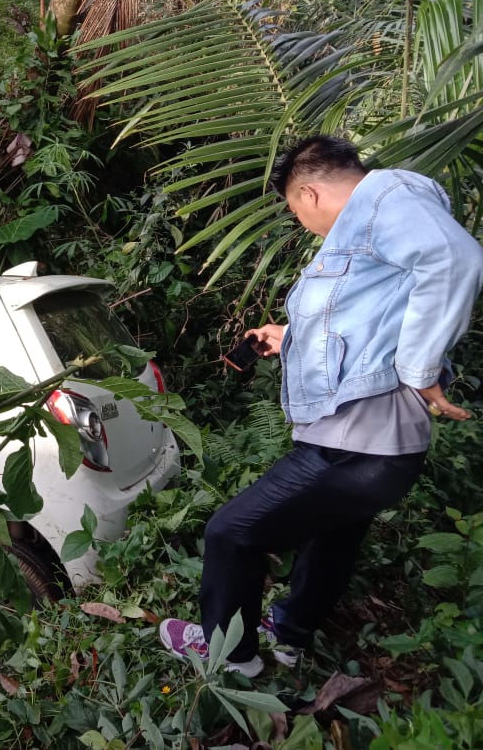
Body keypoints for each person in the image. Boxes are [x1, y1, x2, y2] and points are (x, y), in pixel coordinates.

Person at [158, 135, 483, 677]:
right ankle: (288, 635)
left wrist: (423, 368)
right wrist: (289, 337)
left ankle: (228, 656)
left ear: (307, 193)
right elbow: (368, 321)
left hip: (357, 443)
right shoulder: (372, 229)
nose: (301, 222)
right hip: (374, 444)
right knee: (333, 535)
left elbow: (455, 258)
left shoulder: (385, 195)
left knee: (230, 533)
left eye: (293, 211)